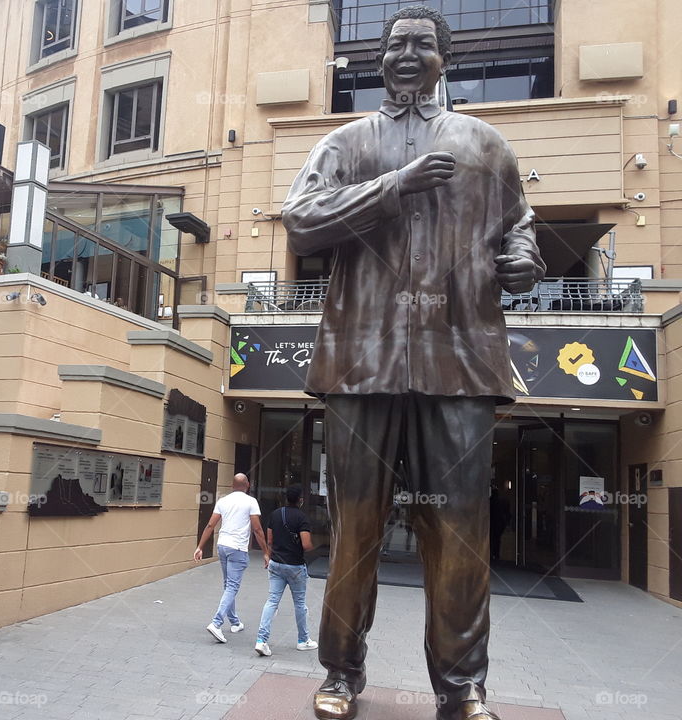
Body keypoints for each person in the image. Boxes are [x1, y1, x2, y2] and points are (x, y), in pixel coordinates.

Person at [281, 5, 544, 720]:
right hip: (360, 359)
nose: (405, 54)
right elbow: (300, 219)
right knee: (356, 528)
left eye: (420, 44)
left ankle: (462, 688)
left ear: (444, 57)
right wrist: (393, 187)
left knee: (460, 532)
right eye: (394, 44)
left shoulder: (486, 146)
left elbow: (517, 229)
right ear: (379, 59)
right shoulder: (345, 141)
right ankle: (340, 673)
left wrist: (522, 260)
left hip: (458, 360)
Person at [194, 473, 270, 643]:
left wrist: (200, 547)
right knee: (232, 586)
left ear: (231, 485)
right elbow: (257, 530)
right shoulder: (251, 502)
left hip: (222, 545)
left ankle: (235, 622)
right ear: (248, 485)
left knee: (228, 585)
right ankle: (216, 622)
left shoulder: (223, 501)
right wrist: (265, 551)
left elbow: (210, 525)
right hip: (237, 548)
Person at [254, 484, 318, 656]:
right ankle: (303, 640)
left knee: (272, 601)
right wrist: (314, 545)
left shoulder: (275, 514)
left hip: (276, 564)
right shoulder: (302, 518)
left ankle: (261, 640)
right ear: (300, 500)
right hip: (295, 566)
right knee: (299, 604)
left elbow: (269, 541)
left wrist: (268, 556)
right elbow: (306, 544)